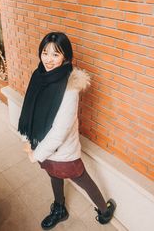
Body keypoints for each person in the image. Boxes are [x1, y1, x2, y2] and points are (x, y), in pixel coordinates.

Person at [18, 32, 116, 230]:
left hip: (61, 150)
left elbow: (59, 131)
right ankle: (59, 209)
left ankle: (105, 210)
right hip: (42, 145)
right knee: (53, 174)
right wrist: (29, 139)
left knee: (81, 177)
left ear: (66, 57)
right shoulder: (39, 76)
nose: (48, 59)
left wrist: (37, 154)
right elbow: (30, 108)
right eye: (45, 53)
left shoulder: (70, 87)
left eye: (55, 54)